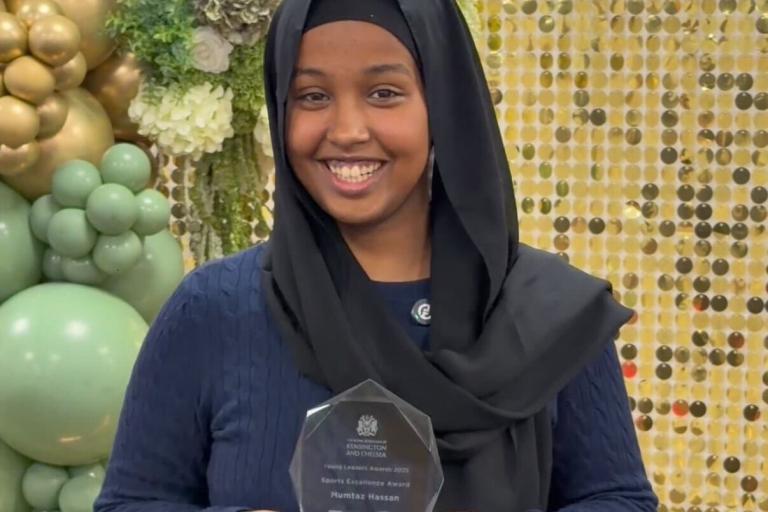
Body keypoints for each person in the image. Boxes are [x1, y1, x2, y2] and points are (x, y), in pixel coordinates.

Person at [95, 0, 659, 510]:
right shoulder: (214, 309)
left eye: (384, 93)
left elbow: (617, 499)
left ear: (443, 105)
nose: (346, 130)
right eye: (313, 96)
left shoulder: (548, 315)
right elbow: (132, 501)